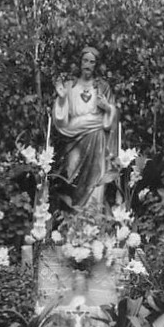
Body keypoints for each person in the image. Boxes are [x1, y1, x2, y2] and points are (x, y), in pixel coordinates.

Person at [53, 46, 119, 210]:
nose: (88, 65)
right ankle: (71, 219)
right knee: (71, 175)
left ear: (96, 65)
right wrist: (61, 99)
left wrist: (108, 108)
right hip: (74, 139)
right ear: (80, 62)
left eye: (92, 62)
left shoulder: (102, 88)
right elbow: (60, 120)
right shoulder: (69, 86)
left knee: (95, 181)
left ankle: (93, 220)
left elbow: (112, 117)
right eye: (85, 60)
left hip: (97, 139)